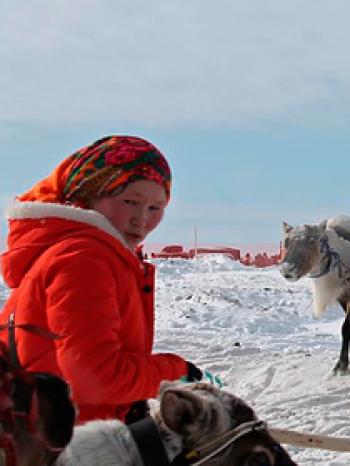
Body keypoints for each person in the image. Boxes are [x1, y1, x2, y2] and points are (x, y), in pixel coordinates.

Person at [0, 135, 205, 424]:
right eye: (130, 201)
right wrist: (177, 372)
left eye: (155, 208)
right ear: (86, 197)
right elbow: (96, 377)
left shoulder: (91, 253)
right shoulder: (83, 258)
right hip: (67, 439)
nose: (141, 219)